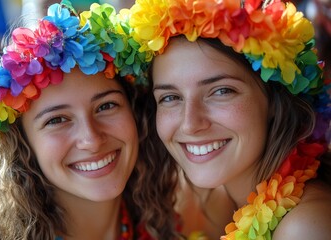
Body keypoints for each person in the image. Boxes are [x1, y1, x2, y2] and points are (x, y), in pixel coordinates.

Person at [0, 1, 179, 239]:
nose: (91, 139)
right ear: (23, 144)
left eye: (106, 106)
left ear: (135, 113)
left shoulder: (171, 223)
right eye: (57, 119)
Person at [128, 0, 331, 239]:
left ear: (275, 100)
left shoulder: (305, 227)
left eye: (221, 91)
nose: (190, 124)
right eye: (171, 97)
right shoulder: (215, 200)